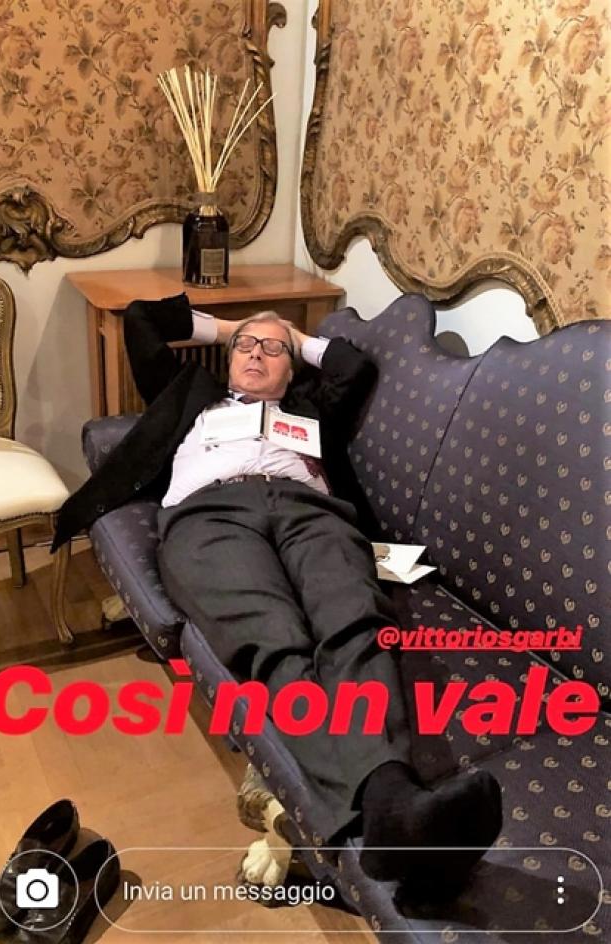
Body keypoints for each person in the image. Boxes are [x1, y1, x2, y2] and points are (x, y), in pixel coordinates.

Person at [53, 294, 502, 900]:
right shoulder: (192, 397)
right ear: (228, 357)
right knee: (275, 641)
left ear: (292, 369)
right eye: (246, 347)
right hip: (208, 516)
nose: (256, 354)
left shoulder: (310, 408)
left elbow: (352, 366)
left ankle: (391, 812)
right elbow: (141, 320)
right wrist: (235, 327)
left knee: (355, 623)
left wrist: (290, 336)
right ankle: (389, 805)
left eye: (272, 350)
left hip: (311, 512)